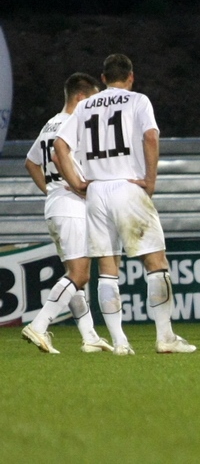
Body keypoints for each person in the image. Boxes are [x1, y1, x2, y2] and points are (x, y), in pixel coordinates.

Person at [54, 54, 195, 355]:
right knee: (156, 263)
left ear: (103, 78)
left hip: (96, 191)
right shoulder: (138, 101)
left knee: (107, 269)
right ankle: (165, 337)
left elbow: (60, 145)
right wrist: (150, 180)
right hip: (128, 186)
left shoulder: (85, 106)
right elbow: (150, 137)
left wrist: (77, 183)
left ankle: (120, 342)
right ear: (131, 77)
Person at [20, 73, 113, 354]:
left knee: (74, 276)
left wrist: (50, 190)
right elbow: (58, 157)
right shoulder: (76, 123)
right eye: (93, 99)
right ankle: (39, 325)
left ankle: (89, 336)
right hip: (71, 207)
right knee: (79, 275)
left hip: (57, 206)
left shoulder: (51, 123)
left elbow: (31, 163)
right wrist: (76, 186)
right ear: (81, 98)